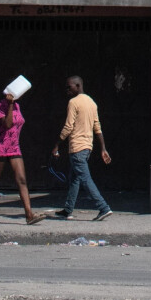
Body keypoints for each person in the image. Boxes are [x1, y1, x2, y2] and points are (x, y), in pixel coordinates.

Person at [54, 74, 112, 222]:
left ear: (78, 86)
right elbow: (97, 127)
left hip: (77, 148)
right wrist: (103, 148)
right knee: (74, 179)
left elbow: (68, 126)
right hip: (87, 148)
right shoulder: (92, 103)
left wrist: (56, 145)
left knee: (85, 179)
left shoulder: (73, 102)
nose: (67, 90)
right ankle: (68, 210)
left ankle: (103, 207)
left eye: (69, 87)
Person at [0, 81, 39, 225]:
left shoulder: (18, 106)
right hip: (0, 147)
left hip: (14, 147)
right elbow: (7, 124)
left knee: (22, 180)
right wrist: (10, 105)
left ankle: (29, 214)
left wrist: (14, 105)